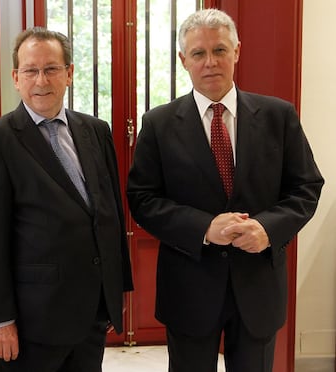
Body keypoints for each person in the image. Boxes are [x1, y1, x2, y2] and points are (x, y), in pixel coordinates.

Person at [127, 8, 323, 372]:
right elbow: (142, 199)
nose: (210, 62)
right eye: (198, 53)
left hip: (259, 286)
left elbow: (307, 187)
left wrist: (268, 228)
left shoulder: (279, 116)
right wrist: (204, 228)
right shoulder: (158, 124)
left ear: (237, 52)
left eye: (219, 50)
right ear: (184, 60)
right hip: (189, 288)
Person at [0, 27, 133, 371]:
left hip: (90, 315)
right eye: (30, 70)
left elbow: (110, 215)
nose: (41, 80)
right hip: (32, 322)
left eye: (52, 68)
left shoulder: (96, 131)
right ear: (16, 77)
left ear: (69, 73)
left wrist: (115, 293)